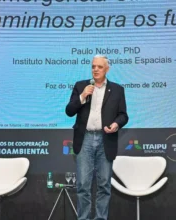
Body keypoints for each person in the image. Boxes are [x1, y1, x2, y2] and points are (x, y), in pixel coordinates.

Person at [65, 54, 128, 220]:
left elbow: (123, 115)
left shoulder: (117, 89)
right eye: (93, 66)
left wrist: (116, 124)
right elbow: (69, 111)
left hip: (105, 140)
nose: (95, 69)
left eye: (99, 67)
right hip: (84, 138)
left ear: (107, 69)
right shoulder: (81, 86)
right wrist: (82, 96)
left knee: (104, 185)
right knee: (83, 185)